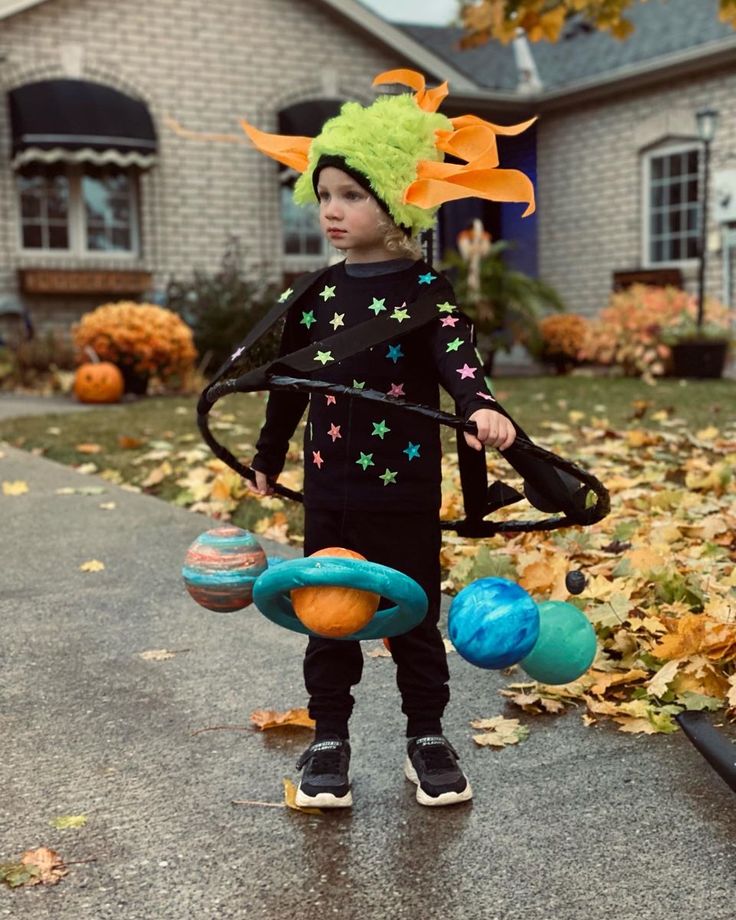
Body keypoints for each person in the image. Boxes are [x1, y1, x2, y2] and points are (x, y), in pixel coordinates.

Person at [240, 69, 535, 808]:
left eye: (352, 196)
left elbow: (458, 362)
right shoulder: (313, 294)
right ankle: (330, 738)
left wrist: (482, 406)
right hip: (330, 491)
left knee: (414, 618)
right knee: (329, 615)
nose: (331, 211)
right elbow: (288, 385)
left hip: (402, 489)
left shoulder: (425, 291)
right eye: (325, 195)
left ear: (397, 198)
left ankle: (426, 737)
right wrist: (268, 456)